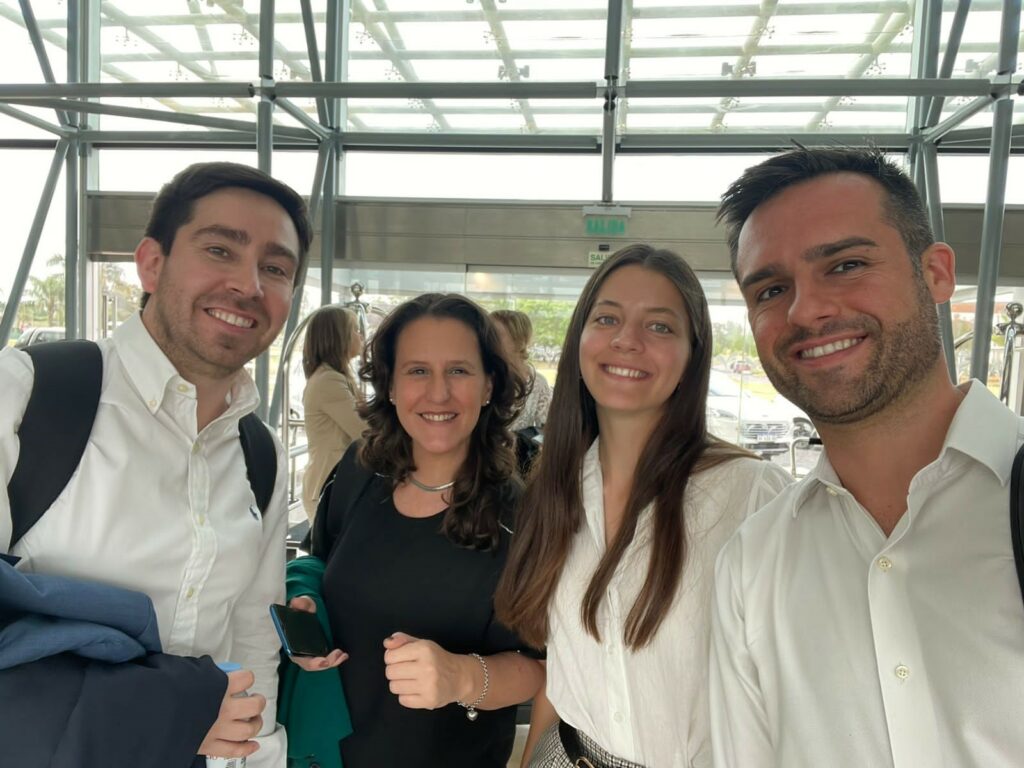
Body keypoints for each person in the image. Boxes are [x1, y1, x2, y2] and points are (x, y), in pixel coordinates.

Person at [710, 147, 1024, 767]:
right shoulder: (753, 562)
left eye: (846, 264)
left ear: (936, 273)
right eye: (771, 289)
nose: (805, 310)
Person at [0, 161, 313, 766]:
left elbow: (251, 632)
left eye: (275, 268)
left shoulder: (259, 453)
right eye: (220, 250)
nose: (248, 284)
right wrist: (171, 709)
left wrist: (258, 754)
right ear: (151, 262)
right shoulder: (30, 396)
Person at [495, 244, 791, 768]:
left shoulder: (752, 495)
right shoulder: (556, 487)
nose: (626, 340)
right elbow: (562, 671)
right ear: (580, 338)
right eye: (607, 318)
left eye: (659, 326)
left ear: (692, 355)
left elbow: (796, 691)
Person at [291, 293, 545, 768]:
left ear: (489, 386)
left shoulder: (523, 515)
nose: (438, 393)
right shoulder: (360, 471)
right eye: (418, 371)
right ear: (390, 386)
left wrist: (460, 676)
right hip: (326, 752)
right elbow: (316, 561)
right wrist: (304, 607)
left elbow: (542, 667)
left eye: (459, 370)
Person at [301, 305, 366, 520]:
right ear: (338, 338)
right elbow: (365, 431)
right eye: (354, 329)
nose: (360, 335)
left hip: (336, 486)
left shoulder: (334, 377)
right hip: (328, 489)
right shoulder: (329, 380)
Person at [491, 309, 553, 431]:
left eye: (495, 335)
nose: (487, 340)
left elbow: (546, 430)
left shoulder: (538, 383)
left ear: (519, 342)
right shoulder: (484, 376)